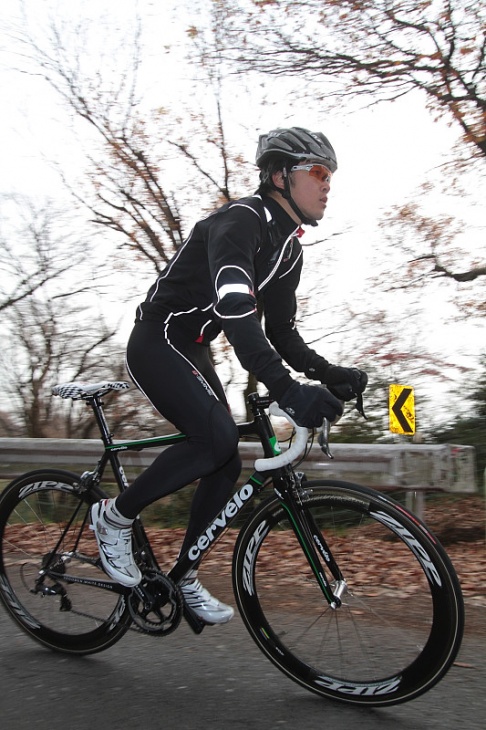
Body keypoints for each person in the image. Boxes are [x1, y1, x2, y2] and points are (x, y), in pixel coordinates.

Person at [90, 126, 367, 625]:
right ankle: (113, 517)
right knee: (216, 437)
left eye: (331, 176)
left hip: (194, 348)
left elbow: (281, 332)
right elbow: (237, 309)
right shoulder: (239, 221)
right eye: (319, 173)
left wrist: (330, 373)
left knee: (225, 462)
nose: (328, 185)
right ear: (280, 176)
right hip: (159, 338)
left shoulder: (289, 250)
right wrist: (285, 389)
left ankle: (183, 574)